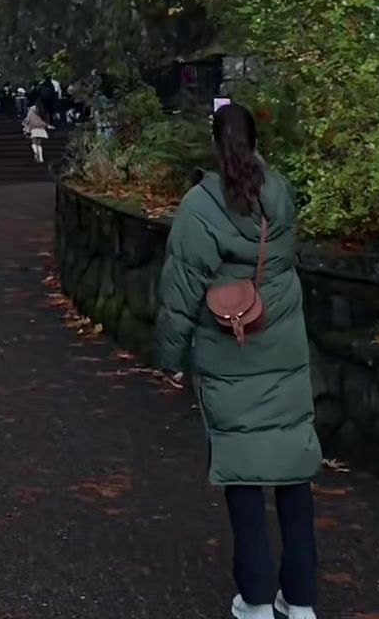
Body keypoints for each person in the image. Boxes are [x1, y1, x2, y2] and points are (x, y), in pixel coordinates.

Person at [154, 102, 321, 619]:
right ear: (256, 140)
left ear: (213, 142)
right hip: (283, 338)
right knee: (293, 467)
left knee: (242, 468)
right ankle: (300, 599)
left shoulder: (200, 206)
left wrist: (169, 356)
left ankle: (255, 598)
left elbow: (181, 287)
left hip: (232, 346)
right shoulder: (280, 191)